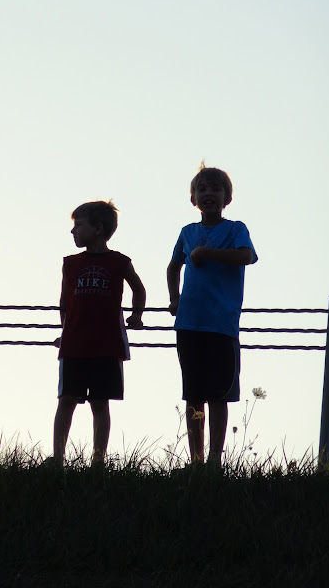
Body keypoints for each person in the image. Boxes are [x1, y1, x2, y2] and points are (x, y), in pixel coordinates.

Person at [167, 164, 257, 467]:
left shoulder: (235, 229)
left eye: (215, 189)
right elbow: (173, 266)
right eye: (202, 189)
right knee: (194, 395)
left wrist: (208, 254)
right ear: (193, 198)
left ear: (227, 197)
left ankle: (215, 460)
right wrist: (174, 299)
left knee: (219, 395)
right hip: (189, 323)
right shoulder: (188, 232)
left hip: (221, 324)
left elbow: (247, 256)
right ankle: (196, 461)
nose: (208, 194)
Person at [53, 200, 146, 465]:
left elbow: (138, 289)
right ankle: (58, 459)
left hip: (107, 345)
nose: (73, 231)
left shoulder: (119, 262)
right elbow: (64, 302)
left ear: (98, 228)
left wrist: (137, 315)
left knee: (100, 402)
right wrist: (64, 331)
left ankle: (98, 461)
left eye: (78, 225)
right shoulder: (71, 264)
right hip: (74, 344)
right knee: (66, 399)